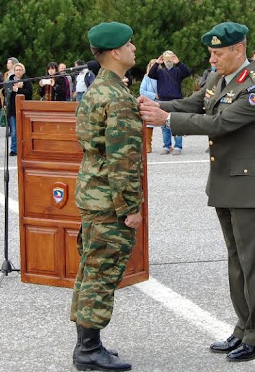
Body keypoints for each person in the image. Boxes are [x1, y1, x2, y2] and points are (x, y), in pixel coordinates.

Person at [139, 22, 255, 364]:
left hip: (250, 188)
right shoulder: (218, 79)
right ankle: (244, 327)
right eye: (211, 53)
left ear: (238, 51)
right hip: (226, 185)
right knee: (237, 263)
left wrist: (165, 121)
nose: (212, 59)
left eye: (218, 53)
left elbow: (219, 123)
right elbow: (192, 104)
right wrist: (154, 105)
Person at [70, 21, 143, 372]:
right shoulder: (116, 97)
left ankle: (90, 343)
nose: (134, 48)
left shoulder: (98, 90)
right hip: (110, 202)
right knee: (101, 273)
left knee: (91, 269)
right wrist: (130, 207)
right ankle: (87, 352)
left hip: (92, 193)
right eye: (129, 44)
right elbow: (123, 159)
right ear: (115, 52)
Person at [148, 50, 191, 155]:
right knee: (165, 125)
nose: (168, 60)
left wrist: (178, 62)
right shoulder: (159, 71)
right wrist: (158, 63)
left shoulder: (177, 71)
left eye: (170, 58)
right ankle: (167, 146)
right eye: (166, 58)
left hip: (176, 100)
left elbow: (187, 73)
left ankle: (178, 146)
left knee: (177, 123)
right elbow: (150, 74)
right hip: (163, 101)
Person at [4, 62, 32, 156]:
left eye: (20, 70)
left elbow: (29, 93)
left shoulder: (27, 81)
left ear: (23, 71)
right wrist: (12, 89)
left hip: (24, 110)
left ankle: (24, 148)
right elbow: (5, 92)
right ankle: (14, 149)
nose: (18, 71)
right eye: (16, 70)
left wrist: (19, 90)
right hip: (12, 109)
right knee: (14, 130)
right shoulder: (10, 80)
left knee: (24, 130)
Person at [139, 59, 158, 153]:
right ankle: (148, 145)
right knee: (149, 125)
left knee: (166, 125)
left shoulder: (162, 76)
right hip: (150, 102)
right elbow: (142, 91)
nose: (153, 66)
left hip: (161, 102)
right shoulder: (146, 78)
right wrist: (154, 95)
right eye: (151, 65)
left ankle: (168, 145)